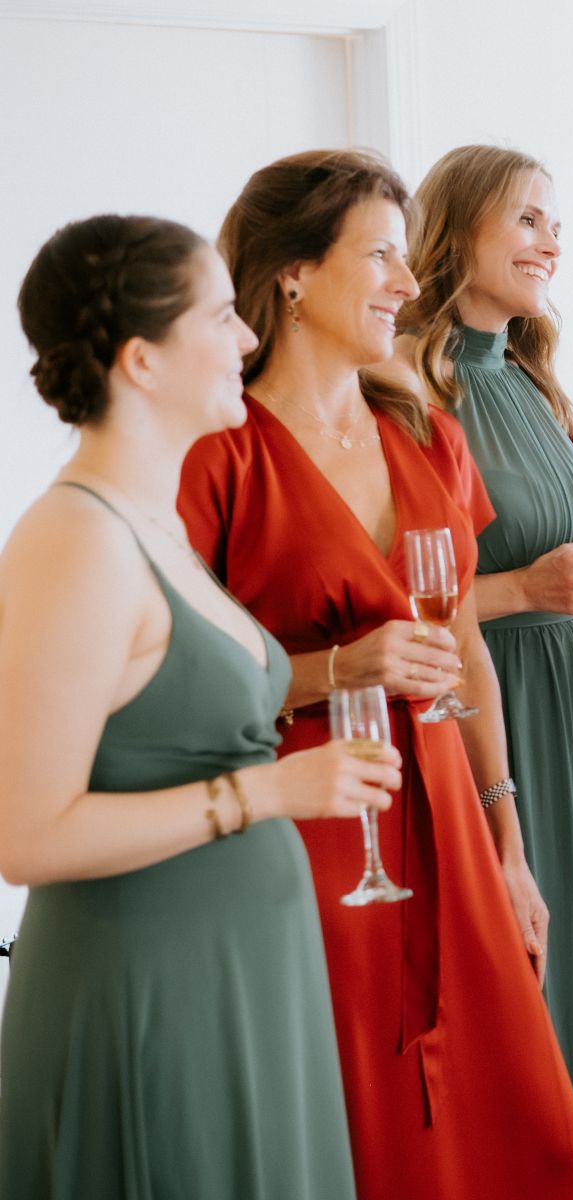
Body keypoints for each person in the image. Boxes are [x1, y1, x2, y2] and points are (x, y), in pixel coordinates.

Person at [178, 149, 573, 1198]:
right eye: (379, 256)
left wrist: (508, 842)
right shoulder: (214, 455)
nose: (409, 286)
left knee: (511, 1116)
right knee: (347, 1102)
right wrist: (332, 668)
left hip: (446, 808)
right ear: (290, 274)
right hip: (303, 829)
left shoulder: (426, 434)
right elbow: (170, 687)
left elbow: (463, 655)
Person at [0, 214, 399, 1197]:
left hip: (238, 978)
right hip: (148, 994)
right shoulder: (76, 540)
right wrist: (265, 794)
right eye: (223, 315)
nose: (250, 338)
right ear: (141, 359)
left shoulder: (157, 521)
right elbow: (25, 834)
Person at [391, 143, 573, 1199]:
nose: (549, 241)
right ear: (458, 233)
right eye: (526, 220)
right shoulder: (409, 381)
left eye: (553, 220)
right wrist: (526, 593)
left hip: (569, 698)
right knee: (516, 981)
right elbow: (411, 597)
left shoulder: (535, 381)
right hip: (490, 704)